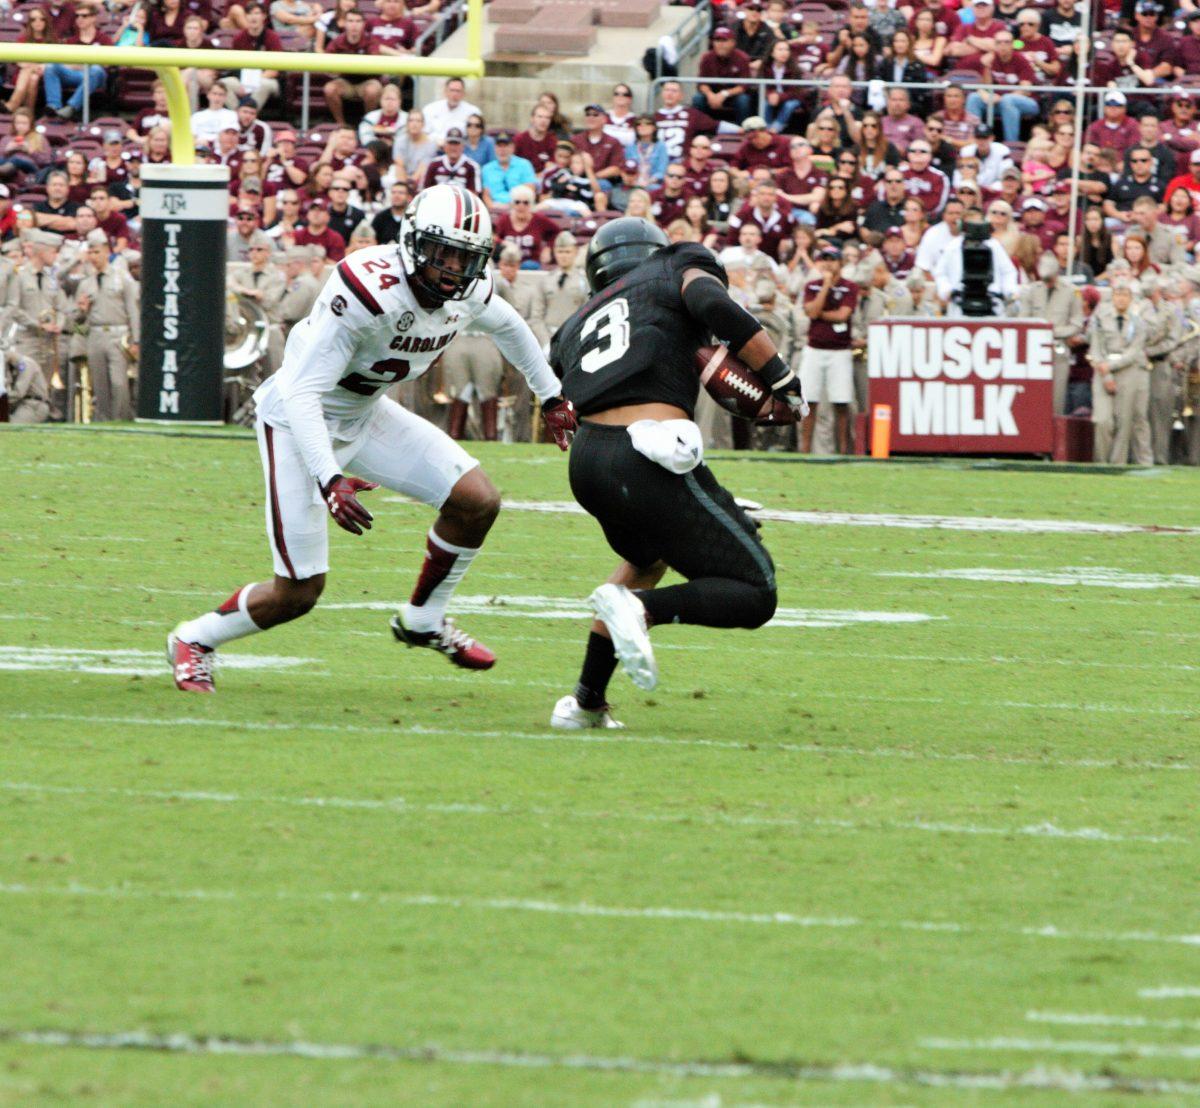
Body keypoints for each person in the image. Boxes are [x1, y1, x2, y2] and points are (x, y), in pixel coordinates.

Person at [167, 184, 578, 693]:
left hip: (363, 412)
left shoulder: (469, 289)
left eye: (464, 257)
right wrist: (329, 477)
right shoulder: (365, 288)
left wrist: (553, 395)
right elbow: (302, 395)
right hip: (298, 424)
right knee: (299, 592)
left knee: (476, 500)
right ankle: (194, 639)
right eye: (442, 252)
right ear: (411, 240)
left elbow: (510, 325)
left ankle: (423, 620)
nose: (452, 268)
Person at [546, 217, 804, 728]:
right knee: (756, 591)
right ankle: (643, 612)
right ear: (654, 252)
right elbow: (710, 303)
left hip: (589, 463)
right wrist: (782, 379)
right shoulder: (674, 266)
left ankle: (585, 703)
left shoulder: (572, 327)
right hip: (646, 451)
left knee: (647, 559)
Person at [74, 229, 139, 422]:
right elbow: (77, 321)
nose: (94, 257)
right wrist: (82, 311)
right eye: (90, 253)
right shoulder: (86, 283)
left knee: (119, 382)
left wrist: (136, 339)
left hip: (117, 333)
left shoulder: (122, 278)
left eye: (97, 252)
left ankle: (121, 419)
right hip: (95, 334)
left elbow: (133, 310)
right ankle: (104, 420)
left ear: (107, 251)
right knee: (100, 384)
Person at [799, 245, 857, 455]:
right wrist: (825, 285)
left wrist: (819, 312)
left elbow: (842, 315)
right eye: (824, 259)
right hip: (814, 348)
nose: (828, 263)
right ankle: (804, 449)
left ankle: (843, 450)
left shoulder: (850, 287)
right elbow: (812, 312)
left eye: (832, 259)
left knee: (841, 403)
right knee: (809, 401)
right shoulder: (812, 286)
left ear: (840, 262)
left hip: (839, 350)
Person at [1088, 280, 1152, 465]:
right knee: (1102, 420)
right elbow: (1096, 349)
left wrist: (1113, 366)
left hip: (1127, 371)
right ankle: (1101, 462)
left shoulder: (1138, 323)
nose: (1121, 299)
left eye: (1125, 295)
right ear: (1112, 297)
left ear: (1131, 299)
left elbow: (1134, 351)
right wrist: (1106, 372)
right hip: (1102, 372)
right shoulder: (1101, 319)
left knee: (1124, 422)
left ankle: (1118, 464)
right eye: (1118, 294)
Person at [44, 5, 109, 121]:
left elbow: (107, 64)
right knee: (51, 66)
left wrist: (80, 65)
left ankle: (72, 107)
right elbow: (64, 63)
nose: (80, 19)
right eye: (77, 16)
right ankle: (53, 106)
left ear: (93, 18)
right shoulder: (71, 40)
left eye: (84, 16)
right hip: (75, 75)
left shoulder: (104, 39)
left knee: (96, 70)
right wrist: (87, 63)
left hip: (96, 77)